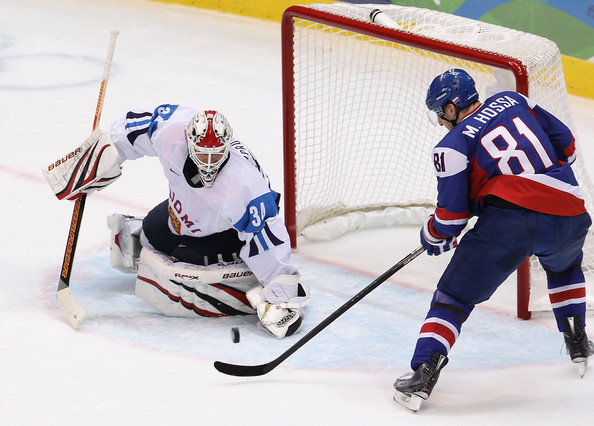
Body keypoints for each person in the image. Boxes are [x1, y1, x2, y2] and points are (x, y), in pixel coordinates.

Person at [393, 69, 594, 411]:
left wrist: (432, 234)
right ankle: (578, 341)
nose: (440, 121)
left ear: (452, 108)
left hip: (510, 225)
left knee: (453, 297)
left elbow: (451, 219)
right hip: (569, 210)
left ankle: (423, 374)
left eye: (440, 112)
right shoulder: (513, 99)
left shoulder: (450, 146)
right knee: (564, 267)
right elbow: (569, 146)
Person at [43, 105, 309, 339]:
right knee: (150, 235)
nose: (208, 164)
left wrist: (282, 290)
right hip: (180, 215)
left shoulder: (243, 187)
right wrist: (97, 158)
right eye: (202, 154)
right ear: (188, 141)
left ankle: (241, 281)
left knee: (183, 272)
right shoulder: (172, 130)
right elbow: (135, 129)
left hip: (224, 232)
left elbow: (265, 232)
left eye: (216, 155)